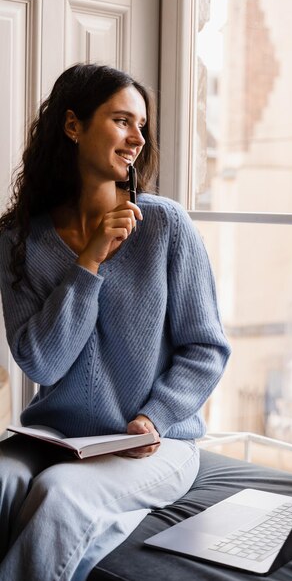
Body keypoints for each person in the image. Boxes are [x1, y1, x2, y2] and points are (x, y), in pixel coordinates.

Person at [0, 63, 231, 581]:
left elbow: (206, 348)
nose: (137, 138)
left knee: (59, 494)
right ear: (73, 125)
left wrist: (154, 416)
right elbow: (43, 361)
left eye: (142, 126)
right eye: (122, 120)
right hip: (55, 436)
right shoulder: (19, 241)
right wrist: (90, 261)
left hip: (157, 442)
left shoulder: (167, 225)